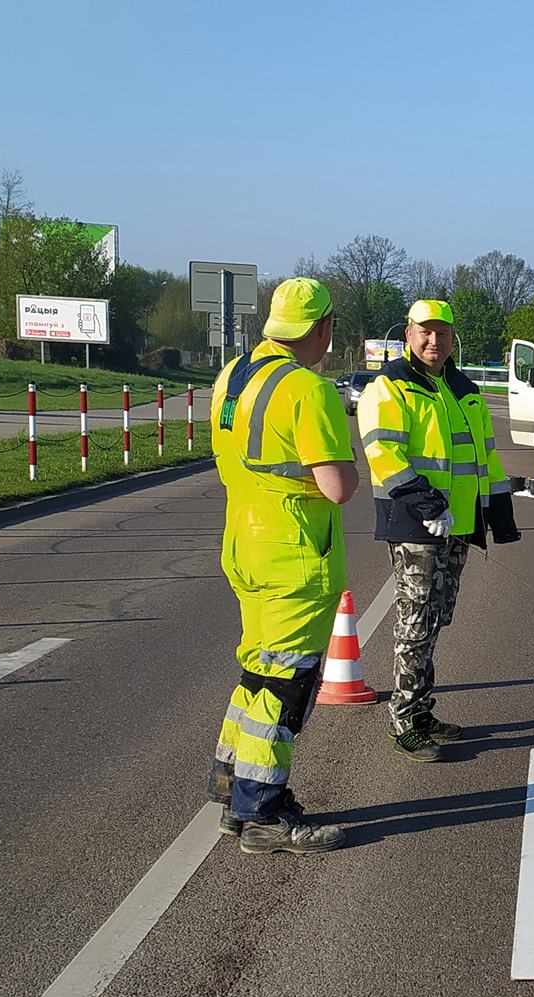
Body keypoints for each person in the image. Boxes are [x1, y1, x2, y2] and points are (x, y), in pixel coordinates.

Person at [208, 278, 358, 854]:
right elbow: (337, 487)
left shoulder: (232, 376)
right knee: (286, 684)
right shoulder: (308, 390)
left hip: (243, 544)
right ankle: (263, 810)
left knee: (256, 672)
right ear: (321, 328)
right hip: (294, 554)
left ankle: (233, 792)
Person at [356, 299, 520, 761]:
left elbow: (485, 459)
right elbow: (384, 453)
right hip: (415, 522)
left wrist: (500, 515)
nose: (434, 341)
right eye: (425, 332)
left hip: (459, 526)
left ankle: (422, 709)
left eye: (442, 334)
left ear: (452, 338)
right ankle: (404, 720)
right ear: (408, 334)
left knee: (437, 618)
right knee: (415, 620)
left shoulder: (464, 390)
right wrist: (426, 502)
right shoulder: (392, 386)